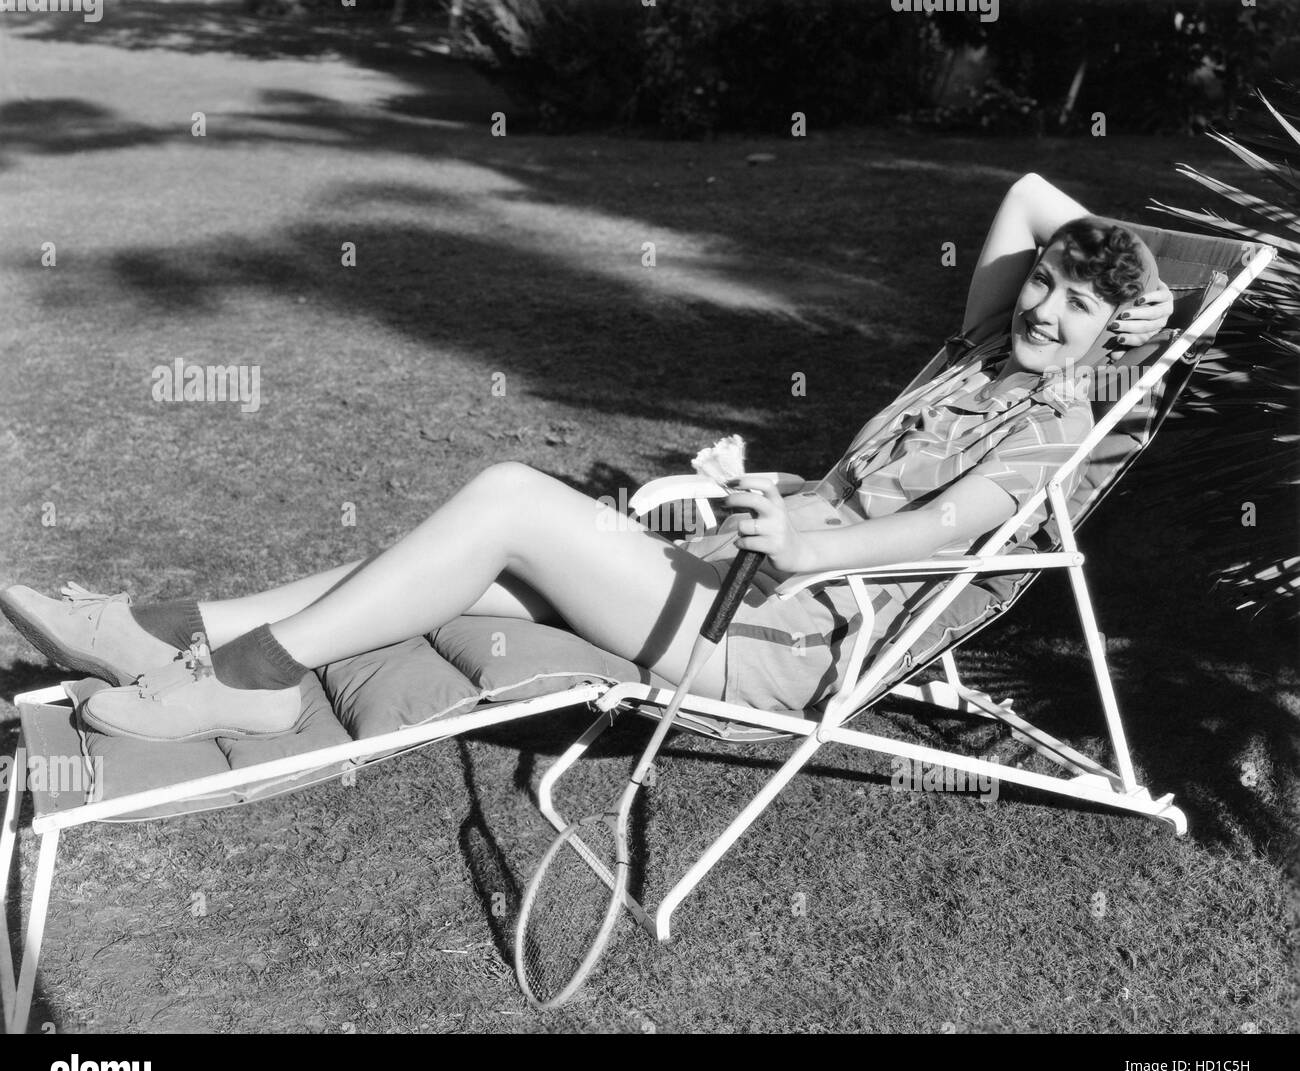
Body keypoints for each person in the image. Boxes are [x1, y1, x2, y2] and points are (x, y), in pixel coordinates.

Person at [1, 173, 1170, 741]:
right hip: (737, 562)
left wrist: (811, 537)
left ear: (1105, 342)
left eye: (1076, 309)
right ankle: (165, 628)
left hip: (783, 636)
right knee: (478, 565)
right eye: (1050, 287)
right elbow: (1025, 198)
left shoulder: (1069, 417)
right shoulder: (976, 351)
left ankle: (248, 675)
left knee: (510, 497)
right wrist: (1144, 270)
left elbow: (938, 533)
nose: (1045, 310)